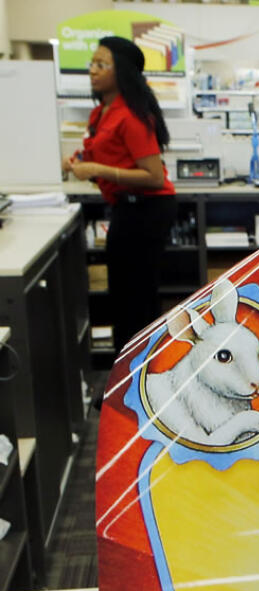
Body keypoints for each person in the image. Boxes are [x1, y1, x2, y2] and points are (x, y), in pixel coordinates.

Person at [63, 35, 177, 357]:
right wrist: (78, 163)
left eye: (102, 64)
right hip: (126, 209)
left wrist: (100, 168)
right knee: (122, 297)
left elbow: (153, 177)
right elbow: (102, 156)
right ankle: (126, 376)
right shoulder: (101, 114)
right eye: (92, 64)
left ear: (121, 71)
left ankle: (140, 378)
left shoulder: (132, 116)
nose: (93, 71)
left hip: (146, 210)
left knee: (137, 299)